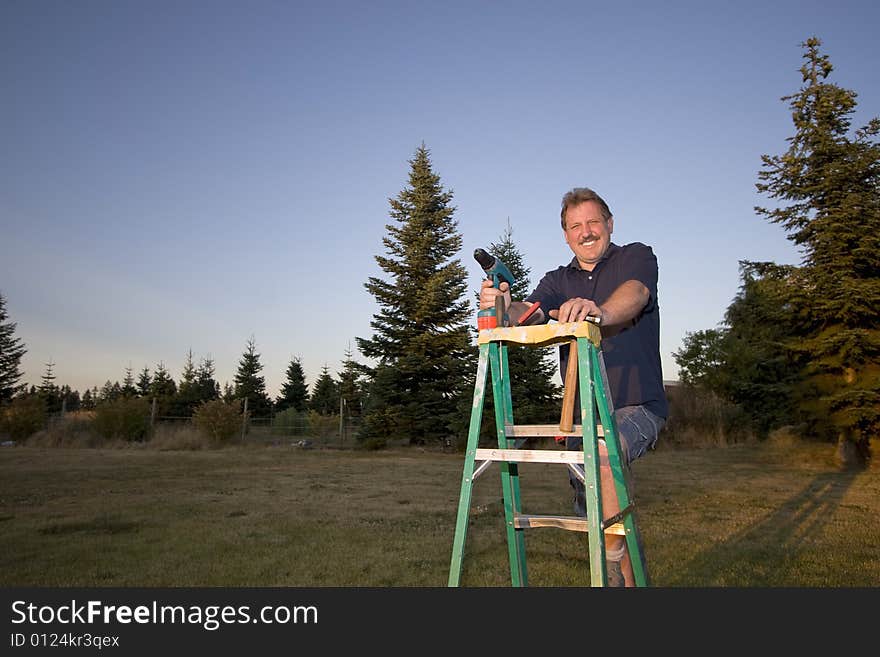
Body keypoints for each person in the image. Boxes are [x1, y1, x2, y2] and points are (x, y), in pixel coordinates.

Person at [479, 187, 668, 587]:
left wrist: (598, 311)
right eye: (575, 226)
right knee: (602, 518)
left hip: (637, 404)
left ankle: (613, 573)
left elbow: (635, 295)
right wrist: (502, 303)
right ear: (565, 235)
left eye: (593, 222)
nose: (585, 232)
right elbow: (524, 316)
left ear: (609, 224)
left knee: (603, 458)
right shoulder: (556, 281)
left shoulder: (635, 256)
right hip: (583, 418)